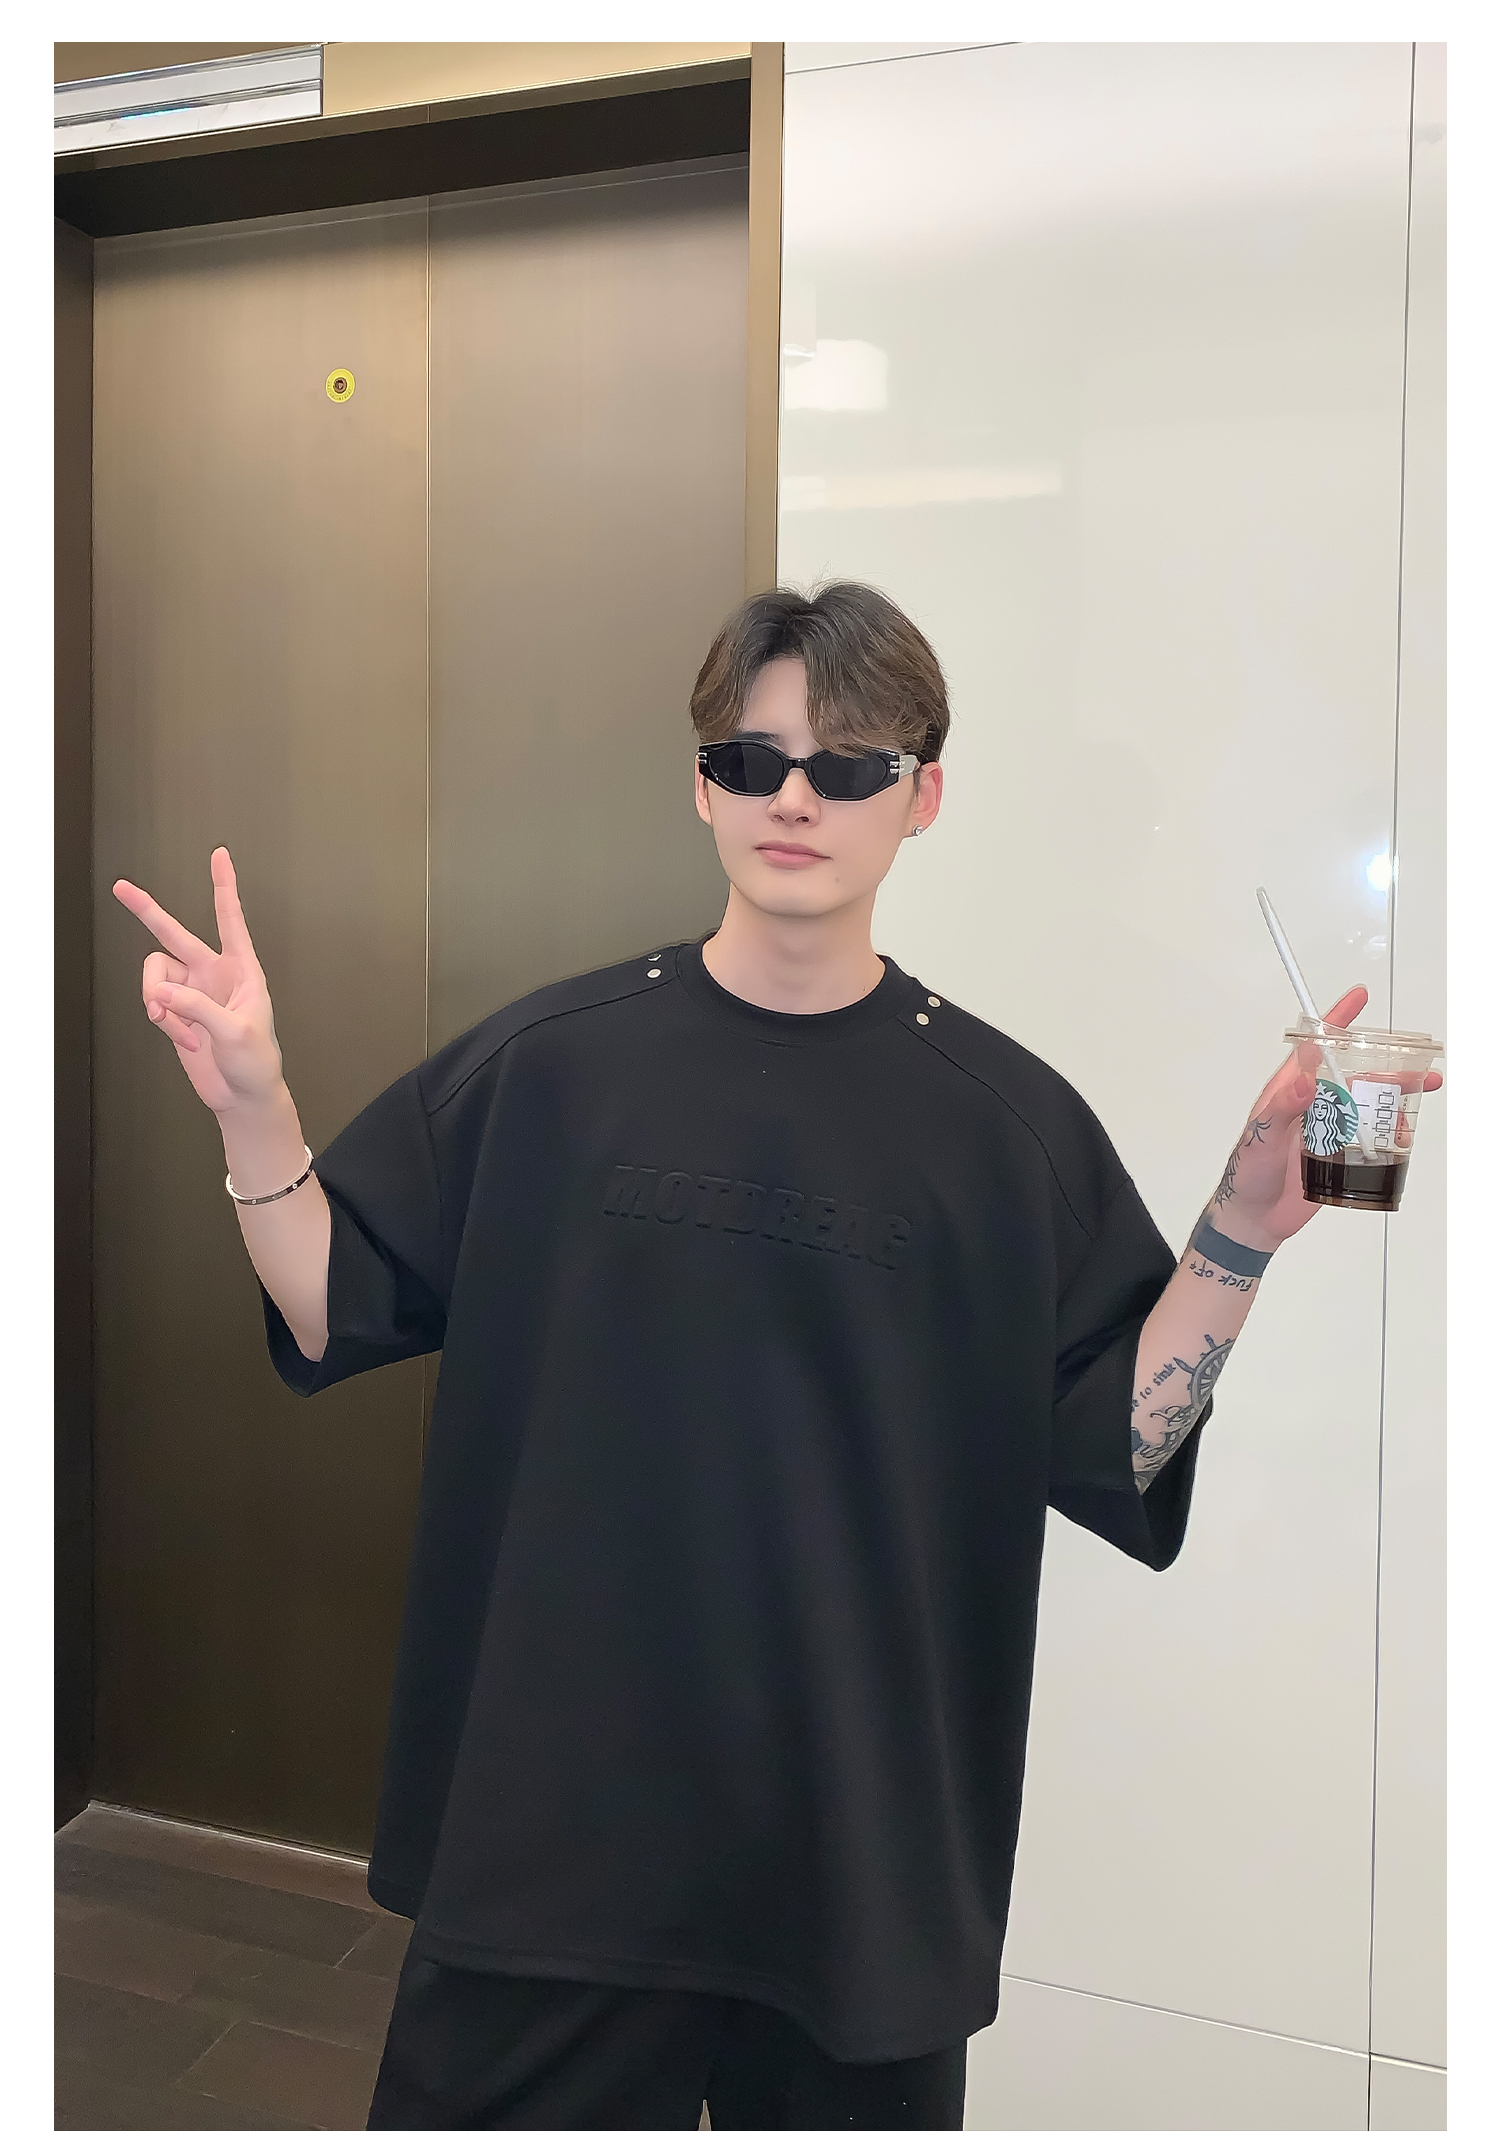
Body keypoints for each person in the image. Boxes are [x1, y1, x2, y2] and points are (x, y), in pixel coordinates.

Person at [112, 583, 1441, 2131]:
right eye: (751, 763)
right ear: (702, 788)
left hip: (857, 1859)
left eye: (849, 765)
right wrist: (254, 1106)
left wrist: (1242, 1231)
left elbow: (1113, 1443)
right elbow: (331, 1299)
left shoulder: (1006, 1129)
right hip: (551, 1839)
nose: (794, 799)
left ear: (923, 798)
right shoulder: (551, 1068)